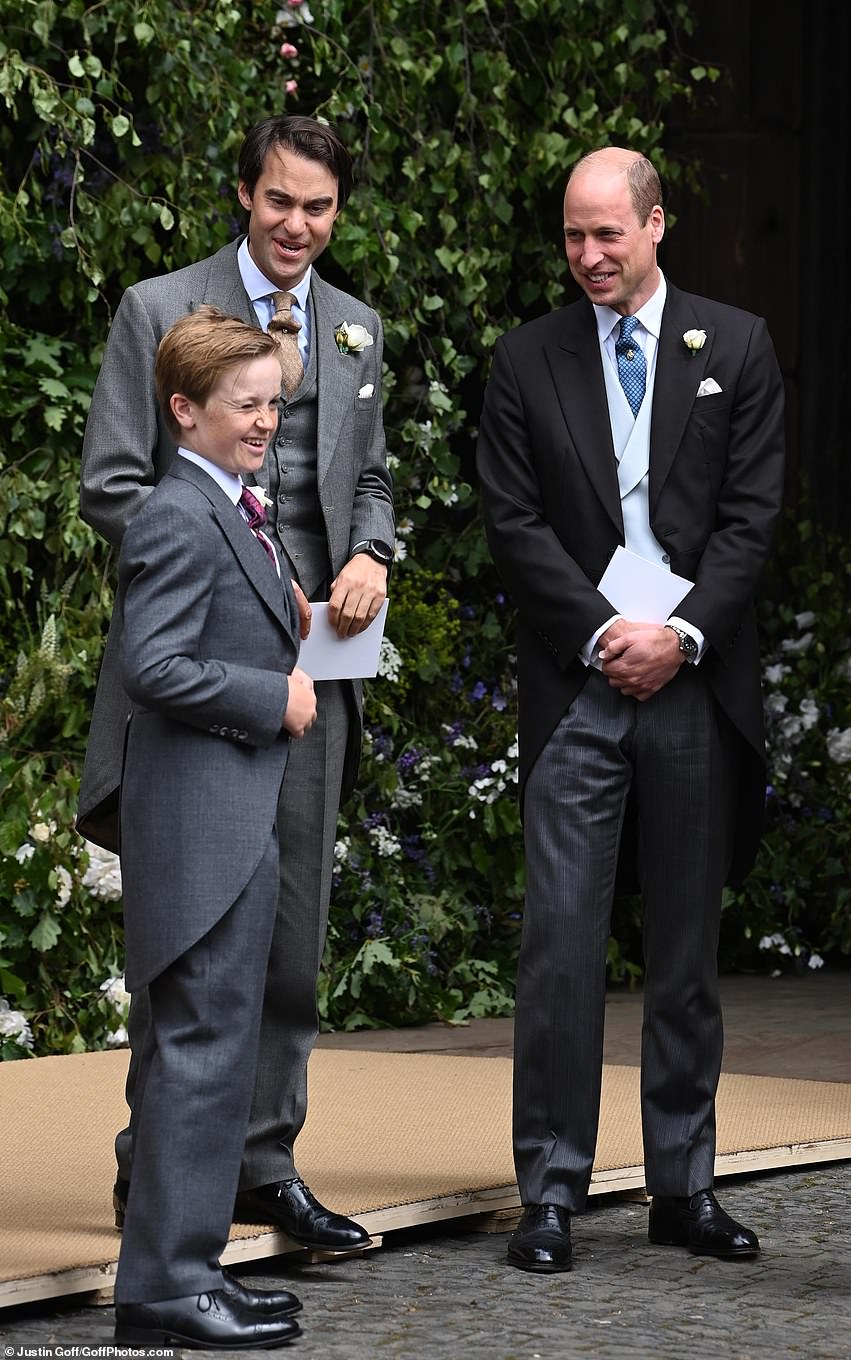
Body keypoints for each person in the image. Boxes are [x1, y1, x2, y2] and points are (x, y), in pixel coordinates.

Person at [78, 115, 394, 1254]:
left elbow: (377, 483)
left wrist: (369, 550)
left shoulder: (356, 329)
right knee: (191, 945)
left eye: (318, 207)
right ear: (244, 195)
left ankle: (264, 1166)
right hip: (195, 673)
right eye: (279, 201)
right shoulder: (160, 310)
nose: (297, 225)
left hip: (314, 680)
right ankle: (157, 1182)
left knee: (289, 941)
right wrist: (241, 571)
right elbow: (114, 487)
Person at [477, 147, 784, 1272]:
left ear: (656, 226)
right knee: (557, 945)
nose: (588, 256)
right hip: (576, 686)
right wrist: (604, 633)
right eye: (571, 235)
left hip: (692, 684)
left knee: (685, 950)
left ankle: (682, 1186)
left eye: (607, 234)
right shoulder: (524, 359)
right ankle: (550, 1189)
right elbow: (512, 524)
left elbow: (753, 518)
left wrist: (682, 633)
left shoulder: (736, 343)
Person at [112, 307, 309, 1348]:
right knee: (194, 1051)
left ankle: (192, 1266)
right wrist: (266, 691)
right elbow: (152, 666)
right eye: (246, 404)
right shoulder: (174, 514)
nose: (266, 420)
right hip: (197, 819)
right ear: (185, 409)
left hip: (230, 818)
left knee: (217, 1049)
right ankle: (160, 1289)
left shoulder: (228, 506)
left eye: (274, 400)